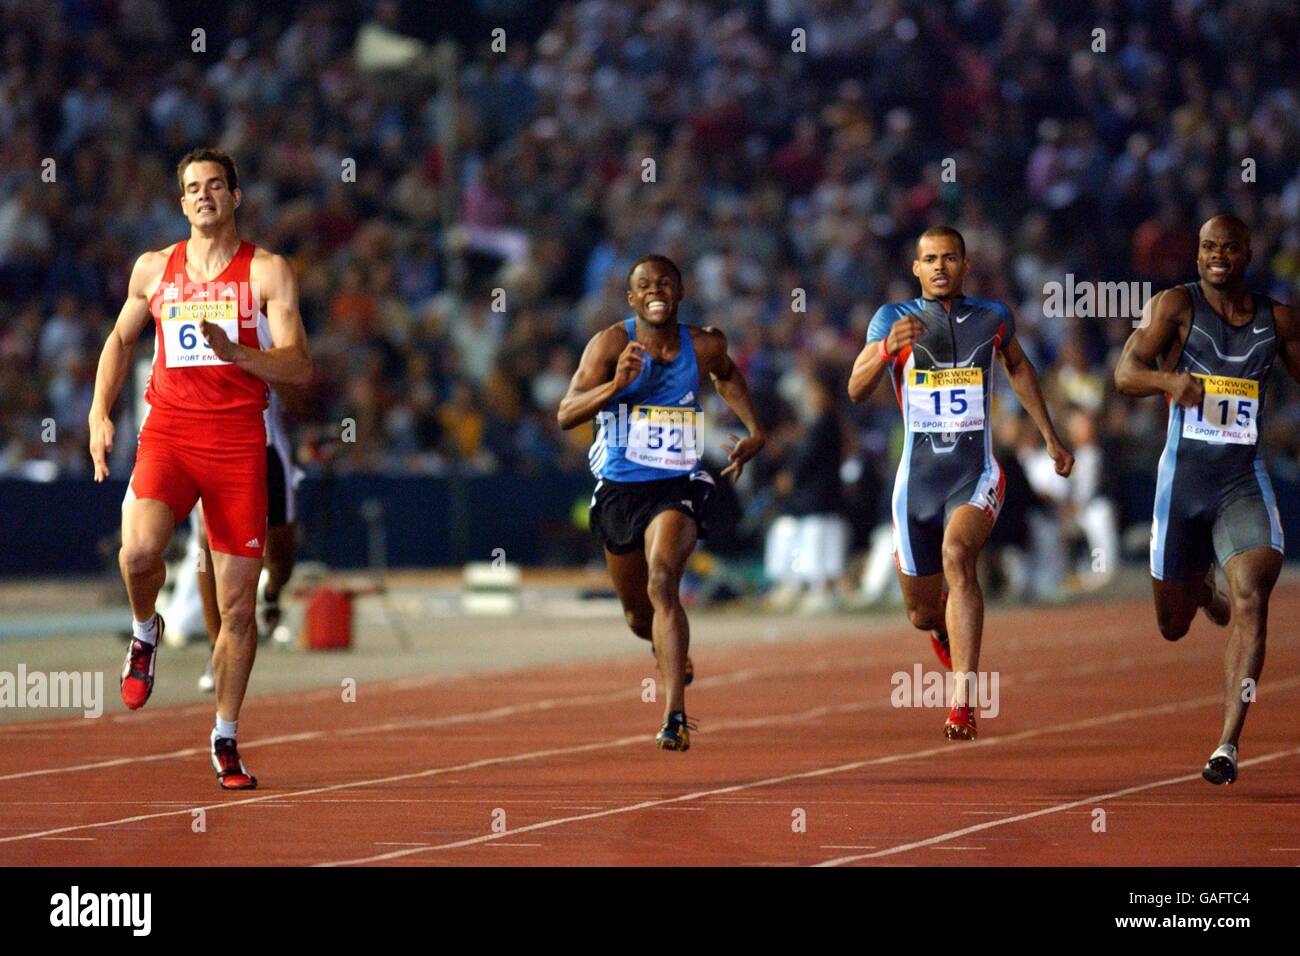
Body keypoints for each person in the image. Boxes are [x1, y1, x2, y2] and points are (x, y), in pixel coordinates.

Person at [88, 147, 312, 789]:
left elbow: (299, 365)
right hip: (168, 435)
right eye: (193, 188)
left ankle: (225, 737)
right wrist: (100, 414)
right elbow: (120, 338)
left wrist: (239, 353)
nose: (205, 195)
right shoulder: (154, 269)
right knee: (138, 556)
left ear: (236, 197)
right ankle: (143, 629)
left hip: (238, 444)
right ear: (181, 202)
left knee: (238, 607)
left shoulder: (267, 273)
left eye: (217, 185)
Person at [848, 226, 1073, 740]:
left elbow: (1019, 367)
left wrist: (1050, 438)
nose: (941, 267)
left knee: (958, 554)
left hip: (975, 473)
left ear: (965, 265)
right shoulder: (892, 319)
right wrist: (885, 348)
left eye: (950, 258)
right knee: (922, 612)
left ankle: (963, 699)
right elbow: (856, 390)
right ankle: (945, 633)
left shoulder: (992, 318)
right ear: (916, 268)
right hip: (917, 483)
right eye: (930, 259)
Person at [1114, 214, 1298, 785]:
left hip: (1243, 482)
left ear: (1248, 253)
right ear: (1197, 255)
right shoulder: (1173, 306)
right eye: (1208, 247)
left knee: (1253, 597)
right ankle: (1199, 588)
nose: (1218, 255)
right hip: (1182, 488)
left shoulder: (1279, 321)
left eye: (1229, 247)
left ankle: (1227, 744)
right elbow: (1125, 372)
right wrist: (1170, 383)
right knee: (1173, 624)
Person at [557, 255, 765, 750]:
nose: (656, 291)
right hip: (619, 490)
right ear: (631, 298)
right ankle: (662, 646)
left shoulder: (706, 343)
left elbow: (727, 375)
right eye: (645, 285)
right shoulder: (609, 343)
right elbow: (566, 413)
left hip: (678, 482)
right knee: (637, 614)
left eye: (665, 283)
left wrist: (755, 431)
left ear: (680, 292)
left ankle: (675, 714)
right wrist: (615, 386)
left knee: (663, 580)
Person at [197, 364, 305, 691]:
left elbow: (299, 395)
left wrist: (256, 363)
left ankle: (270, 597)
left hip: (266, 444)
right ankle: (217, 647)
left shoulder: (273, 316)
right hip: (214, 440)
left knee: (281, 553)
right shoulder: (199, 314)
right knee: (207, 542)